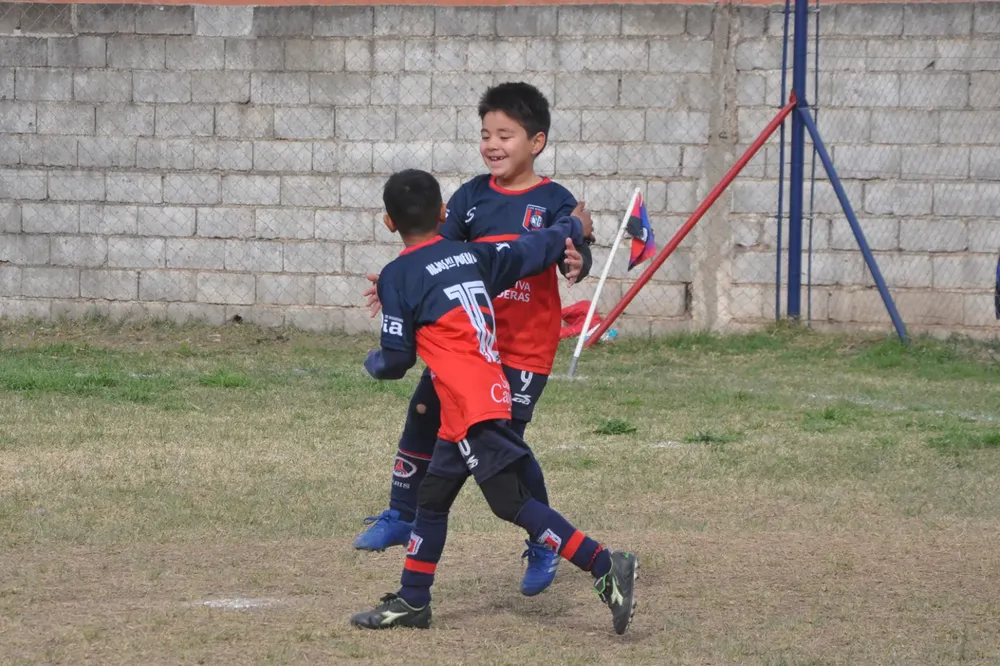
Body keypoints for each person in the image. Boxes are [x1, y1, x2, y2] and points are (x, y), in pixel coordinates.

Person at [350, 169, 637, 635]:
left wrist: (373, 362)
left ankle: (606, 564)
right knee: (432, 501)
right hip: (476, 396)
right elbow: (531, 248)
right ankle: (413, 601)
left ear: (388, 222)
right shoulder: (472, 254)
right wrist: (572, 227)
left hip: (471, 407)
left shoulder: (397, 275)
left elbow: (397, 360)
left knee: (509, 503)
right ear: (444, 213)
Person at [354, 82, 594, 598]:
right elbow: (430, 254)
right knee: (423, 412)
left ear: (536, 141)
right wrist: (397, 284)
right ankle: (401, 513)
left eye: (505, 135)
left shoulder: (556, 201)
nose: (492, 145)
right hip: (468, 346)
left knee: (507, 453)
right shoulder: (470, 197)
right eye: (486, 134)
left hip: (524, 347)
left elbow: (571, 244)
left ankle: (545, 541)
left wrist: (580, 259)